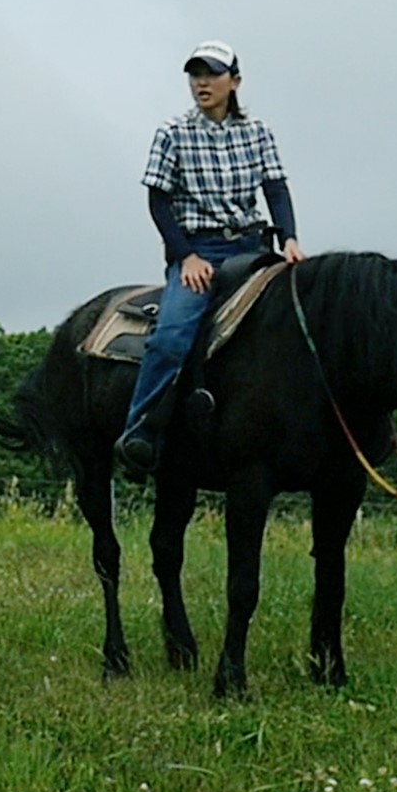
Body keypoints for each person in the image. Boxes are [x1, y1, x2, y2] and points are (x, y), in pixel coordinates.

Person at [114, 40, 306, 475]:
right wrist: (186, 257)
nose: (201, 82)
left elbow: (275, 187)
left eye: (212, 74)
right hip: (200, 250)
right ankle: (139, 434)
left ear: (234, 82)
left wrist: (290, 238)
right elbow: (158, 201)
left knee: (299, 320)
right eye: (195, 74)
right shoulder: (173, 132)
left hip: (253, 247)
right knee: (169, 337)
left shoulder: (258, 131)